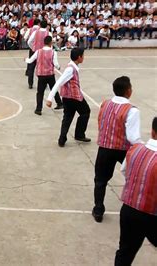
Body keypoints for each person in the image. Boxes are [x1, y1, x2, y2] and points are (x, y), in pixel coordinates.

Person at [92, 76, 142, 223]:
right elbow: (133, 137)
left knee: (100, 180)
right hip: (123, 148)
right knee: (133, 177)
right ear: (128, 91)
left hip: (105, 147)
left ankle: (98, 209)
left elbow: (100, 122)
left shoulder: (105, 104)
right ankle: (134, 206)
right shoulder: (132, 110)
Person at [115, 117, 157, 265]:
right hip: (153, 214)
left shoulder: (135, 149)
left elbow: (124, 171)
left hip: (130, 210)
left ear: (152, 132)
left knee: (125, 252)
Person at [46, 48, 91, 147]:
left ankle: (62, 139)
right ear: (79, 57)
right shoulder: (70, 69)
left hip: (66, 97)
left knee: (67, 117)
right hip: (74, 97)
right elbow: (58, 82)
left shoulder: (72, 67)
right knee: (86, 112)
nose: (84, 57)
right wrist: (50, 98)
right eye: (83, 55)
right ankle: (79, 134)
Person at [25, 36, 63, 116]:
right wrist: (58, 67)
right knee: (54, 89)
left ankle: (39, 109)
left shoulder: (38, 51)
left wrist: (26, 59)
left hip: (41, 75)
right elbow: (55, 64)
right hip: (50, 74)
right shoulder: (53, 52)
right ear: (50, 43)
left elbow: (30, 60)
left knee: (40, 92)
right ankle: (59, 103)